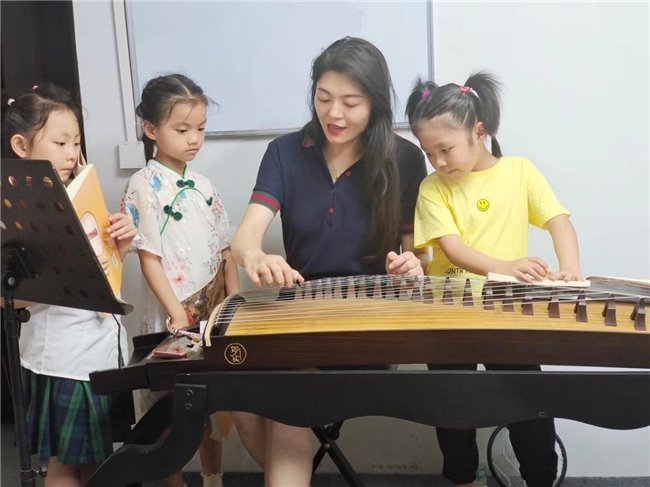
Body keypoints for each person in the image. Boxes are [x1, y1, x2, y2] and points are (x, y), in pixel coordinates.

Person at [230, 37, 429, 487]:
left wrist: (413, 266)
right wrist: (256, 256)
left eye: (350, 103)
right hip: (301, 313)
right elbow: (245, 236)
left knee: (288, 395)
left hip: (371, 321)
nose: (334, 114)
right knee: (237, 398)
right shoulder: (285, 152)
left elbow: (419, 253)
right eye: (323, 98)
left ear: (375, 103)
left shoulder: (404, 158)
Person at [406, 72, 582, 487]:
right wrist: (505, 266)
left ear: (479, 132)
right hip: (446, 309)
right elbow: (452, 249)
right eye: (429, 153)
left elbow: (558, 221)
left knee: (529, 402)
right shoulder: (433, 187)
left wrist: (570, 268)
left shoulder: (519, 171)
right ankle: (463, 479)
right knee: (452, 406)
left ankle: (540, 479)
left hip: (507, 310)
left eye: (445, 149)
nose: (439, 162)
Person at [1, 83, 136, 487]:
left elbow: (106, 273)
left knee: (100, 461)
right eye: (60, 143)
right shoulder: (14, 207)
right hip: (62, 358)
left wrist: (119, 246)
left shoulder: (80, 194)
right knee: (65, 466)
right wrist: (65, 272)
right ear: (21, 145)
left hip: (103, 349)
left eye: (76, 142)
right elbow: (6, 296)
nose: (72, 153)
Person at [121, 74, 239, 487]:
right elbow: (149, 258)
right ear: (151, 129)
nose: (194, 139)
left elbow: (226, 250)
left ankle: (213, 479)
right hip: (173, 313)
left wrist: (234, 300)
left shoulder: (204, 185)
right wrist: (176, 313)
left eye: (200, 129)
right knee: (169, 411)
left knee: (210, 405)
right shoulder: (143, 185)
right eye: (182, 129)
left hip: (212, 310)